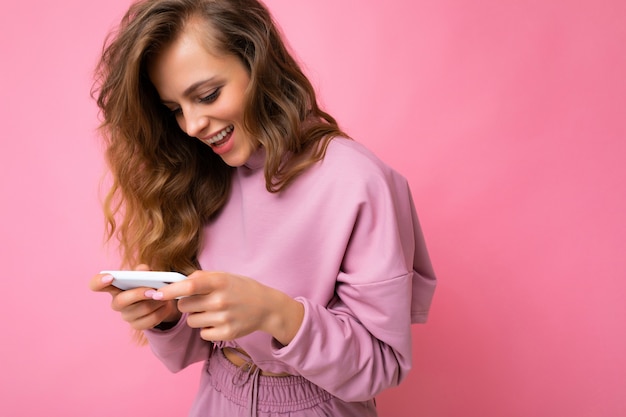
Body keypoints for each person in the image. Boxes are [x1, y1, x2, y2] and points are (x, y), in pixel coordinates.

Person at [89, 0, 436, 416]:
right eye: (175, 110)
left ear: (258, 63)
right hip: (217, 398)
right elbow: (196, 348)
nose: (192, 125)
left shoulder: (358, 181)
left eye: (207, 95)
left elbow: (380, 367)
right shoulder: (204, 174)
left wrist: (275, 312)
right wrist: (167, 315)